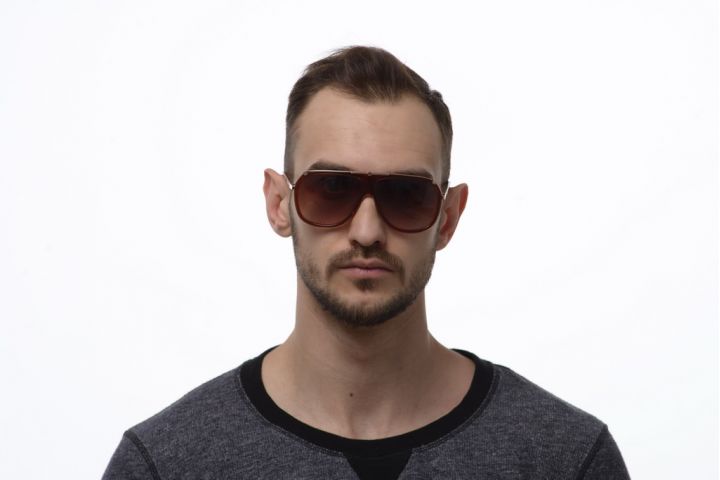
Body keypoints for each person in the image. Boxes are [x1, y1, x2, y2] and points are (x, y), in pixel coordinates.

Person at [102, 46, 630, 480]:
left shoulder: (566, 459)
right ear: (279, 203)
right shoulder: (166, 464)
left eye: (407, 195)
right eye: (332, 188)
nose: (367, 231)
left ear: (448, 218)